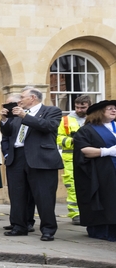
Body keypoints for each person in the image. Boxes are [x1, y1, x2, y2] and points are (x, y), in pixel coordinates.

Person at [0, 87, 63, 241]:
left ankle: (48, 229)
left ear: (33, 97)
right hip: (17, 158)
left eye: (22, 97)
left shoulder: (51, 110)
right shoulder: (17, 113)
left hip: (41, 158)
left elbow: (48, 126)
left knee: (44, 196)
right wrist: (4, 120)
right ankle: (19, 226)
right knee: (17, 195)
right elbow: (8, 133)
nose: (19, 100)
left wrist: (24, 116)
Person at [73, 100, 116, 241]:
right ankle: (104, 230)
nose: (114, 110)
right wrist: (107, 151)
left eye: (114, 108)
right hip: (100, 173)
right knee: (107, 200)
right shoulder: (88, 130)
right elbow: (83, 150)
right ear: (99, 112)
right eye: (109, 108)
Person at [1, 93, 36, 233]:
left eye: (12, 104)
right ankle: (17, 222)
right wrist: (7, 153)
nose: (9, 107)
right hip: (14, 157)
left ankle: (28, 221)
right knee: (15, 192)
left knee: (29, 193)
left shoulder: (29, 115)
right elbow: (5, 138)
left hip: (30, 156)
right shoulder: (11, 118)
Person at [57, 95, 90, 225]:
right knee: (72, 185)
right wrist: (72, 141)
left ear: (89, 106)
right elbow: (58, 138)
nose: (79, 110)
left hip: (92, 157)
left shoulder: (95, 119)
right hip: (71, 158)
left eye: (83, 107)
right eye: (77, 107)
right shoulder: (65, 120)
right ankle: (75, 213)